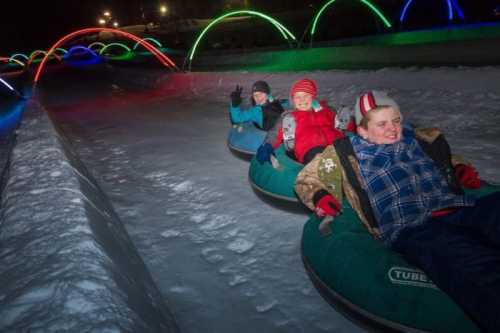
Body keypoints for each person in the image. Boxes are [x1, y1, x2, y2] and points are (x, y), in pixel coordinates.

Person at [295, 90, 499, 332]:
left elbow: (449, 158)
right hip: (413, 227)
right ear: (362, 130)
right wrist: (321, 196)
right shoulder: (345, 152)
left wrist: (460, 168)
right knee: (473, 264)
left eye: (396, 120)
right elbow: (307, 178)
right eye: (381, 124)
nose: (392, 129)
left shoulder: (419, 139)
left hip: (458, 208)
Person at [255, 78, 346, 165]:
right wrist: (267, 146)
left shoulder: (326, 110)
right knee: (321, 160)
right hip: (311, 148)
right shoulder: (290, 118)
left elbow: (344, 124)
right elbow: (275, 133)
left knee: (348, 150)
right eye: (297, 97)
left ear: (312, 97)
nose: (302, 99)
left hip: (336, 144)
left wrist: (353, 127)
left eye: (306, 95)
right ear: (293, 100)